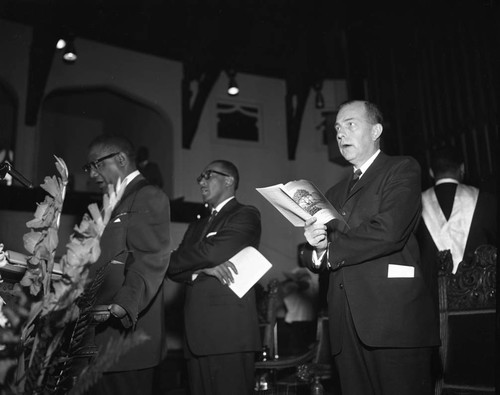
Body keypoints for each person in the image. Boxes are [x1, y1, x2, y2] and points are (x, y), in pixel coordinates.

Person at [300, 100, 440, 395]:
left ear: (376, 130)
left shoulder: (401, 168)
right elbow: (329, 249)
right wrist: (317, 245)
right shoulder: (333, 193)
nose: (340, 134)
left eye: (350, 124)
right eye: (337, 128)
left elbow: (388, 232)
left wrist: (330, 253)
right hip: (344, 324)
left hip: (392, 320)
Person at [83, 135, 171, 395]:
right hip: (98, 337)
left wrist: (123, 304)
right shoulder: (109, 203)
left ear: (120, 159)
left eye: (96, 164)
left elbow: (149, 256)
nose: (91, 174)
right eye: (88, 167)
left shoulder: (148, 195)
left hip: (126, 337)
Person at [167, 160, 261, 395]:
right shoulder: (196, 225)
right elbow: (170, 267)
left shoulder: (245, 214)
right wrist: (202, 269)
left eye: (208, 175)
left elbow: (213, 252)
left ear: (229, 180)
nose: (201, 181)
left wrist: (185, 259)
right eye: (200, 177)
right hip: (195, 336)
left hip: (228, 335)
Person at [417, 146, 497, 307]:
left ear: (431, 172)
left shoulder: (415, 205)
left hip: (432, 300)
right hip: (480, 298)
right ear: (462, 169)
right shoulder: (486, 200)